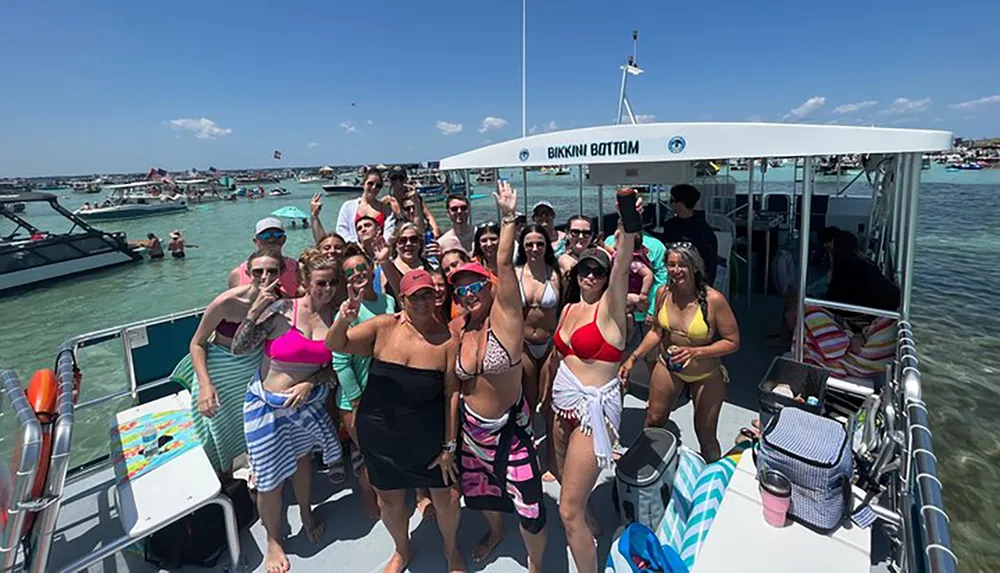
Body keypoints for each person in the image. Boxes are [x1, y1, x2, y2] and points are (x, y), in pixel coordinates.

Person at [326, 269, 464, 573]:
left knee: (449, 500)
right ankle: (403, 549)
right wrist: (345, 317)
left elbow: (451, 394)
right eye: (416, 296)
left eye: (428, 293)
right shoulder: (383, 327)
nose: (424, 301)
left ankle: (451, 549)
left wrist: (449, 446)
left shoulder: (448, 341)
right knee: (389, 502)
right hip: (380, 435)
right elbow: (336, 344)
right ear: (403, 299)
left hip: (428, 439)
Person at [450, 181, 547, 571]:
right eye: (460, 292)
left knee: (530, 507)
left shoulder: (505, 320)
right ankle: (495, 531)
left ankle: (537, 565)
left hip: (508, 430)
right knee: (482, 494)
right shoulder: (460, 328)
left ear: (489, 288)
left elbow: (504, 263)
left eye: (474, 286)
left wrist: (508, 219)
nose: (468, 295)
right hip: (471, 433)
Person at [231, 248, 342, 573]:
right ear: (306, 281)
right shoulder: (283, 310)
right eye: (321, 282)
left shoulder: (334, 318)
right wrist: (254, 313)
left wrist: (312, 383)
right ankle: (273, 540)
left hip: (304, 408)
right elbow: (240, 347)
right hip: (265, 407)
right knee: (268, 480)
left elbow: (336, 368)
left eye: (333, 282)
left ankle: (307, 513)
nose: (327, 289)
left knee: (302, 462)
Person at [549, 197, 639, 573]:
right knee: (569, 487)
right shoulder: (569, 309)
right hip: (560, 409)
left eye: (597, 272)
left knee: (567, 510)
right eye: (585, 269)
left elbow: (622, 264)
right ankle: (590, 517)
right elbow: (559, 359)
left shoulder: (610, 308)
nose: (590, 275)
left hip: (592, 414)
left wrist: (627, 217)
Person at [620, 243, 740, 462]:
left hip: (706, 372)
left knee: (706, 434)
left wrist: (696, 352)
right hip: (668, 366)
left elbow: (732, 342)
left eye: (682, 264)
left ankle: (712, 480)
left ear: (694, 267)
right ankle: (648, 469)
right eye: (671, 264)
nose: (676, 270)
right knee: (654, 419)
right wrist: (633, 358)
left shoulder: (714, 300)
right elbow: (656, 332)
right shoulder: (663, 293)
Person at [170, 251, 275, 474]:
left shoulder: (279, 303)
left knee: (249, 427)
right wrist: (205, 385)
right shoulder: (227, 302)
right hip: (220, 369)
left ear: (281, 274)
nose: (265, 276)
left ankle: (252, 476)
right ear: (248, 273)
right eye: (258, 271)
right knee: (218, 430)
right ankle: (222, 479)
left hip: (252, 369)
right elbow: (197, 343)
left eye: (272, 271)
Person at [331, 245, 395, 520]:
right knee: (367, 454)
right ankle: (371, 496)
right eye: (350, 271)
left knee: (387, 451)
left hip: (384, 392)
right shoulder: (347, 312)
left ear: (371, 268)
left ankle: (389, 494)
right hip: (355, 399)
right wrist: (357, 400)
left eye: (361, 268)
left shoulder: (387, 301)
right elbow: (340, 363)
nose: (358, 274)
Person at [799, 231, 900, 379]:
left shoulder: (846, 265)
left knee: (801, 309)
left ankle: (796, 350)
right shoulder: (864, 262)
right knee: (802, 304)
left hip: (852, 318)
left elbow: (835, 301)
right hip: (859, 316)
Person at [514, 224, 560, 412]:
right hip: (524, 345)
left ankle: (552, 442)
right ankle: (529, 440)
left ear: (547, 246)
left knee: (549, 399)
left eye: (540, 244)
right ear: (522, 246)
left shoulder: (557, 273)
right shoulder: (514, 274)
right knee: (528, 400)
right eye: (529, 244)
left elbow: (565, 306)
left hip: (549, 343)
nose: (535, 249)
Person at [655, 184, 718, 286]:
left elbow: (709, 264)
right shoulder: (671, 225)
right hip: (673, 279)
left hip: (694, 282)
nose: (670, 204)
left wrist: (704, 287)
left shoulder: (702, 230)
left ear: (680, 203)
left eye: (671, 200)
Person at [229, 217, 299, 295]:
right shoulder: (238, 274)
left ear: (284, 239)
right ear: (255, 241)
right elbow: (233, 304)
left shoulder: (297, 268)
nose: (271, 239)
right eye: (265, 236)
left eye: (277, 235)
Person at [330, 168, 396, 242]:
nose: (374, 187)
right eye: (370, 183)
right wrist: (358, 246)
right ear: (363, 184)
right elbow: (341, 231)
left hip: (379, 250)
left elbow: (389, 233)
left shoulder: (386, 209)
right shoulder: (348, 206)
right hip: (354, 251)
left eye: (378, 186)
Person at [389, 165, 442, 236]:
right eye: (394, 178)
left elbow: (429, 216)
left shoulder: (415, 198)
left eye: (401, 178)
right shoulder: (387, 202)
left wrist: (436, 232)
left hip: (418, 232)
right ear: (389, 180)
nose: (398, 182)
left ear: (405, 180)